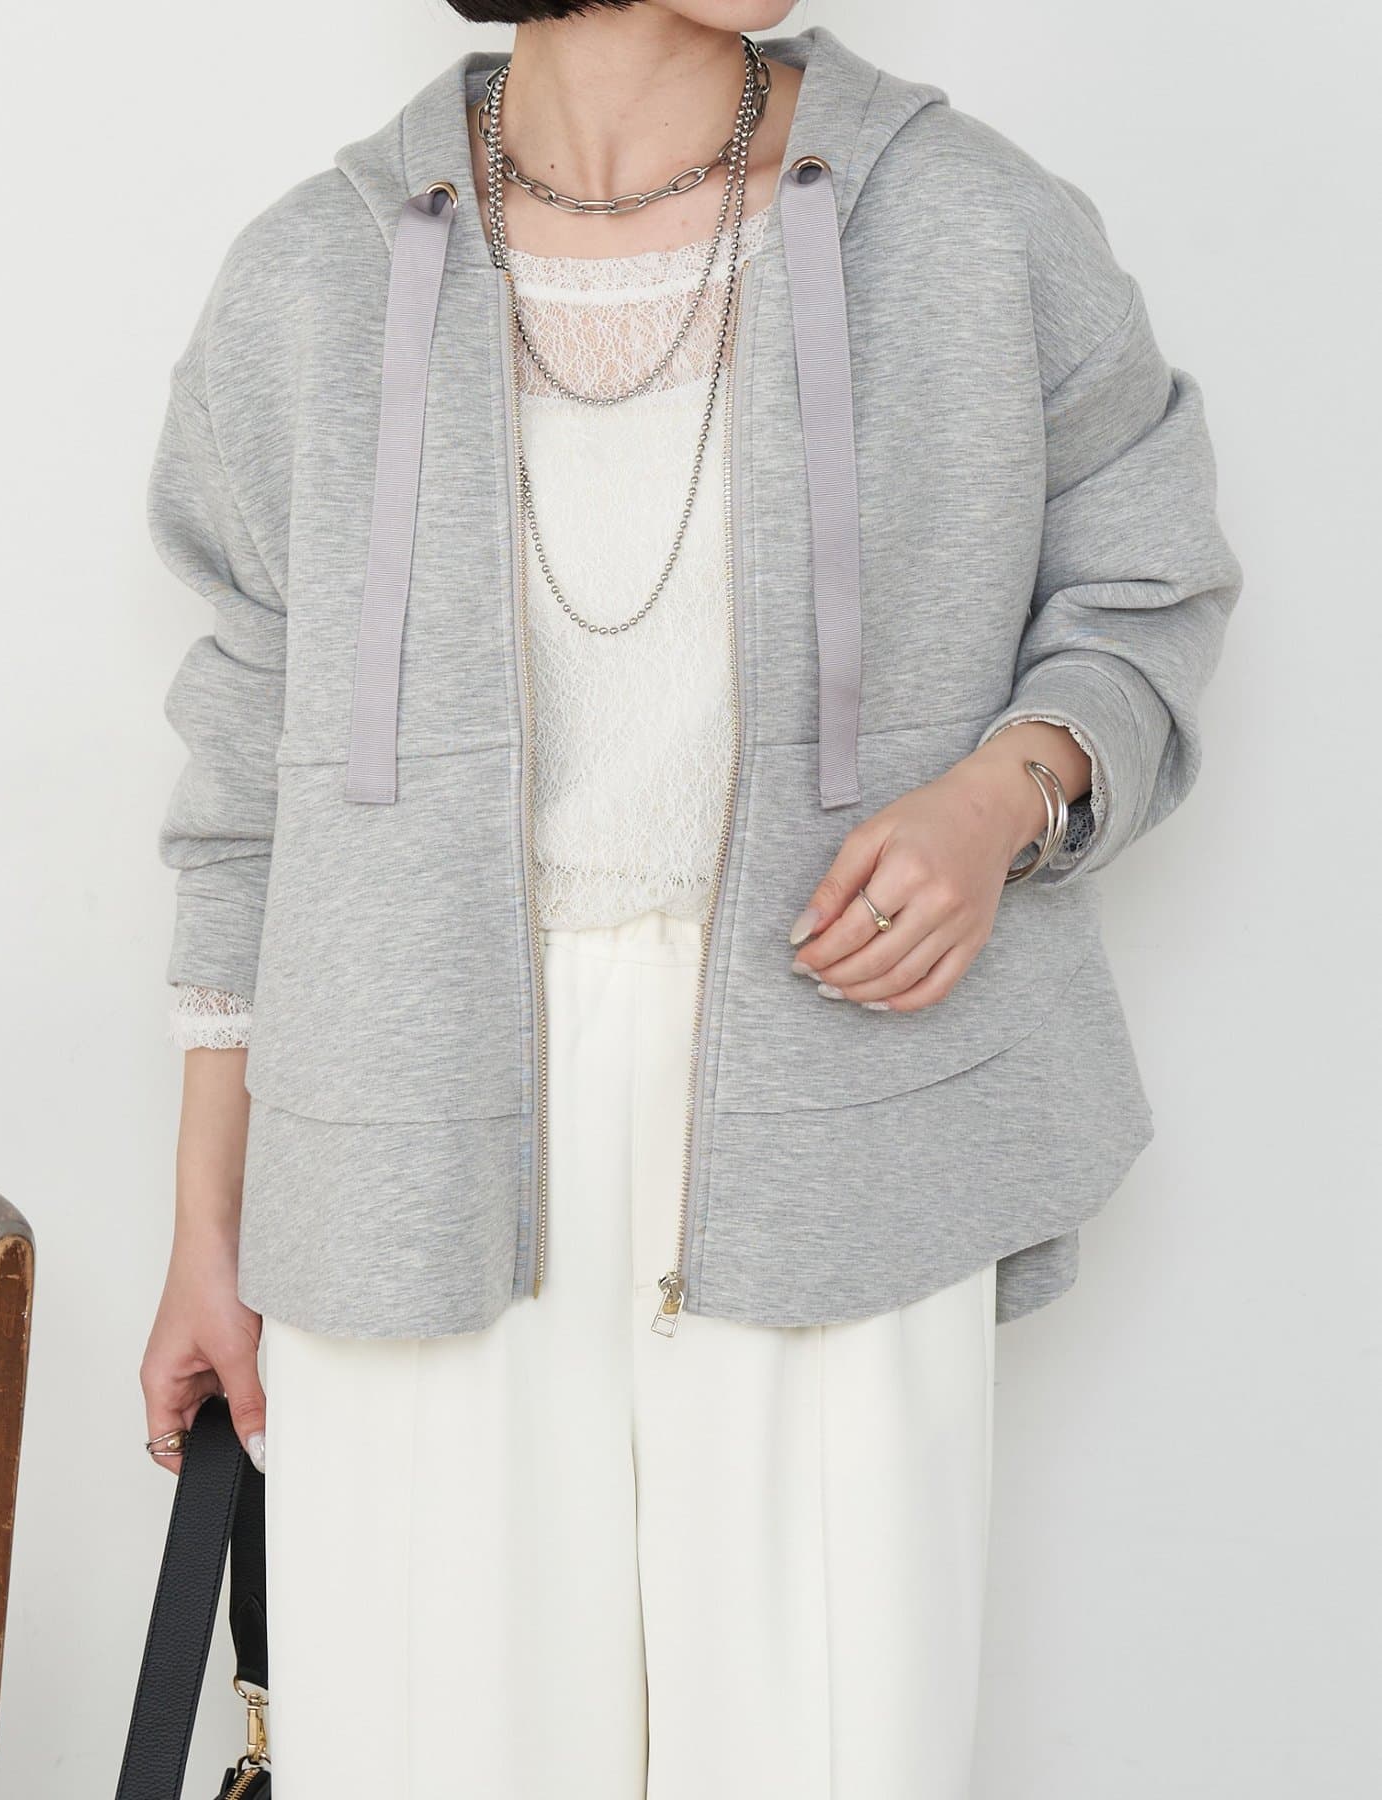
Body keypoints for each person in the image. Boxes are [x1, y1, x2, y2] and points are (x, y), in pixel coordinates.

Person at [138, 4, 1240, 1793]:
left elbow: (1148, 579)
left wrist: (1004, 797)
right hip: (405, 1115)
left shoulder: (968, 220)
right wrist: (209, 1223)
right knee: (438, 1747)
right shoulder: (312, 274)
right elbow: (244, 782)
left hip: (846, 1090)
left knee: (825, 1748)